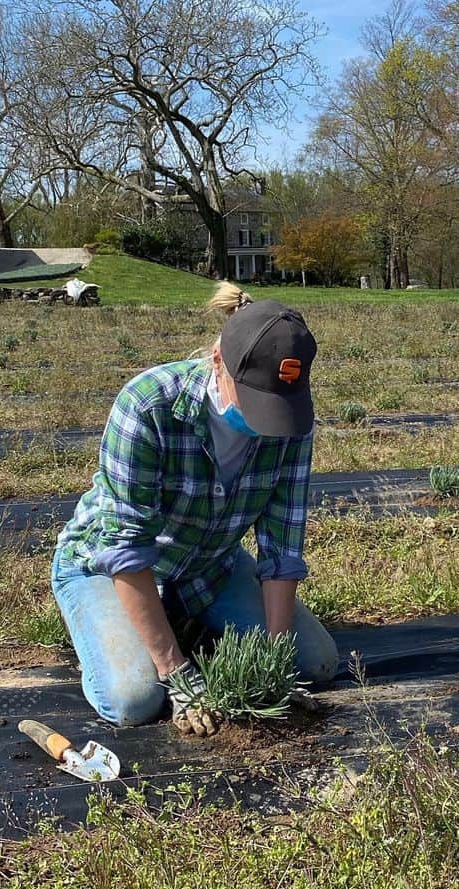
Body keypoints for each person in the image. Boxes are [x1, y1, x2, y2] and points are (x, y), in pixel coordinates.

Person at [51, 282, 339, 736]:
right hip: (107, 567)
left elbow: (282, 545)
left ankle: (187, 626)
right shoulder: (149, 405)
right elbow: (125, 547)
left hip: (208, 566)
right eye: (256, 401)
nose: (267, 422)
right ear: (218, 361)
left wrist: (273, 660)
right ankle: (134, 633)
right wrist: (175, 672)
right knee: (135, 700)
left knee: (315, 664)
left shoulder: (291, 419)